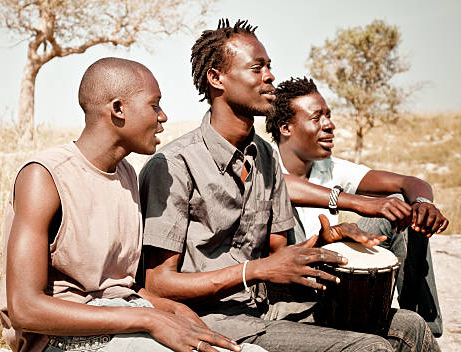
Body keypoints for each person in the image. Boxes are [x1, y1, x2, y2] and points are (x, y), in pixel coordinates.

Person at [139, 19, 440, 351]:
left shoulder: (265, 157)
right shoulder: (174, 165)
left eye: (269, 67)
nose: (270, 77)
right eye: (257, 68)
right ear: (216, 78)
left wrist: (322, 242)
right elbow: (158, 284)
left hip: (271, 307)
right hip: (215, 318)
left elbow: (279, 256)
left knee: (409, 325)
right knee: (370, 348)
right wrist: (254, 271)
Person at [0, 57, 262, 352]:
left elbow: (120, 285)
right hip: (60, 339)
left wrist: (172, 310)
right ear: (118, 109)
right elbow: (25, 309)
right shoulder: (44, 176)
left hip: (123, 316)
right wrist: (150, 319)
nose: (163, 117)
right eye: (155, 105)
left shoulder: (126, 176)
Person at [265, 76, 449, 336]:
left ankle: (424, 328)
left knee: (402, 210)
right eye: (316, 118)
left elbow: (409, 182)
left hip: (332, 271)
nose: (329, 125)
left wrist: (423, 203)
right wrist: (358, 203)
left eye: (328, 116)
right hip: (290, 286)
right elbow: (280, 185)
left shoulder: (327, 167)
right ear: (286, 128)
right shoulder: (266, 162)